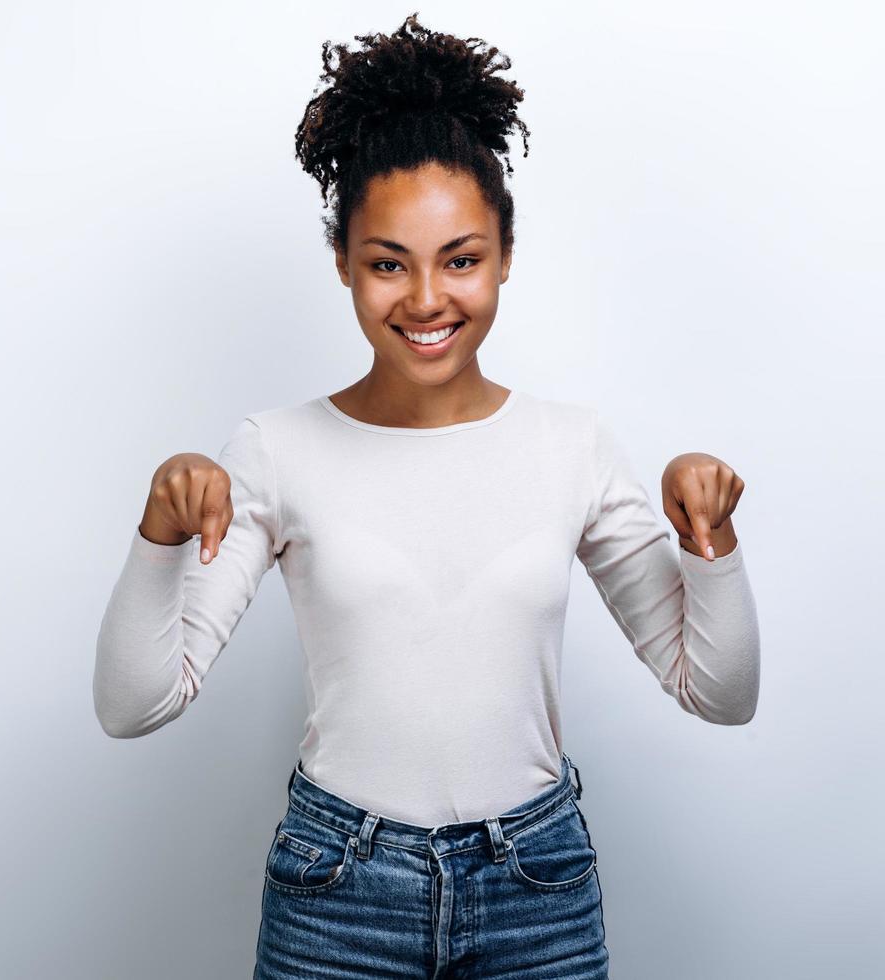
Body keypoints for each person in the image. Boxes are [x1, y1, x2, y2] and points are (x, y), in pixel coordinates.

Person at [93, 12, 761, 978]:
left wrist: (713, 545)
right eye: (385, 263)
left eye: (460, 259)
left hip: (537, 889)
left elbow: (720, 693)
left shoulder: (570, 447)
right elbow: (136, 704)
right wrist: (158, 536)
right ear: (343, 266)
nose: (424, 300)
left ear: (503, 256)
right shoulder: (278, 451)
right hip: (339, 897)